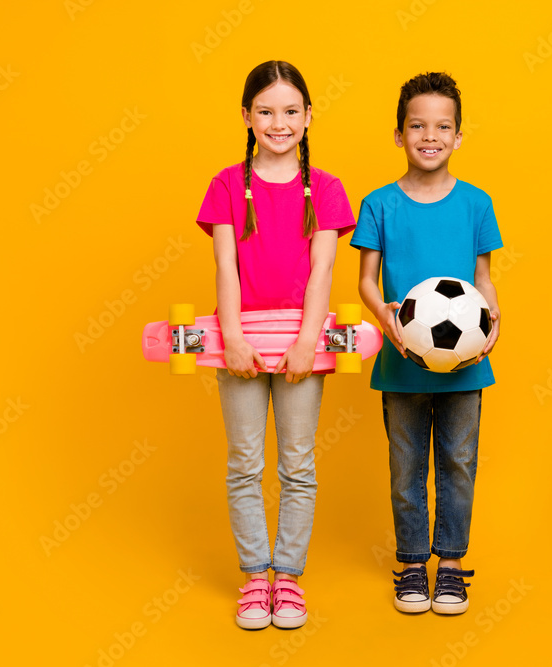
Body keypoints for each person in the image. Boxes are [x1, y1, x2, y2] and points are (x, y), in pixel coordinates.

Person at [196, 60, 356, 629]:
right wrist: (233, 337)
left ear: (309, 117)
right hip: (240, 341)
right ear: (246, 116)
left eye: (291, 111)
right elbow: (226, 265)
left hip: (300, 343)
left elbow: (323, 273)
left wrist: (308, 341)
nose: (279, 122)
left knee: (296, 463)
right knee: (244, 463)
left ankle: (287, 579)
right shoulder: (225, 185)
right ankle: (254, 577)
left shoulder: (329, 190)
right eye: (266, 111)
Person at [351, 71, 502, 615]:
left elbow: (483, 278)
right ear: (399, 134)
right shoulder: (379, 204)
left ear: (459, 136)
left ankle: (453, 566)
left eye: (443, 126)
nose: (429, 135)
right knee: (406, 461)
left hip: (466, 362)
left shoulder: (476, 203)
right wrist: (383, 313)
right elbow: (367, 279)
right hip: (403, 358)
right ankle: (413, 563)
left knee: (459, 461)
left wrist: (492, 314)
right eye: (417, 125)